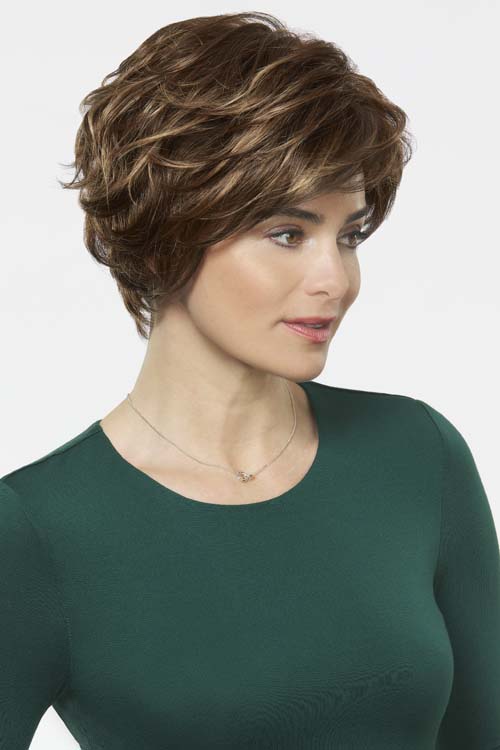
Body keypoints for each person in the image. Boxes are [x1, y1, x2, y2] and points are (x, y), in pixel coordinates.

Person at [1, 10, 499, 750]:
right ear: (169, 230)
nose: (336, 280)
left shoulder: (417, 455)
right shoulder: (37, 529)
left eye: (349, 236)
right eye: (288, 234)